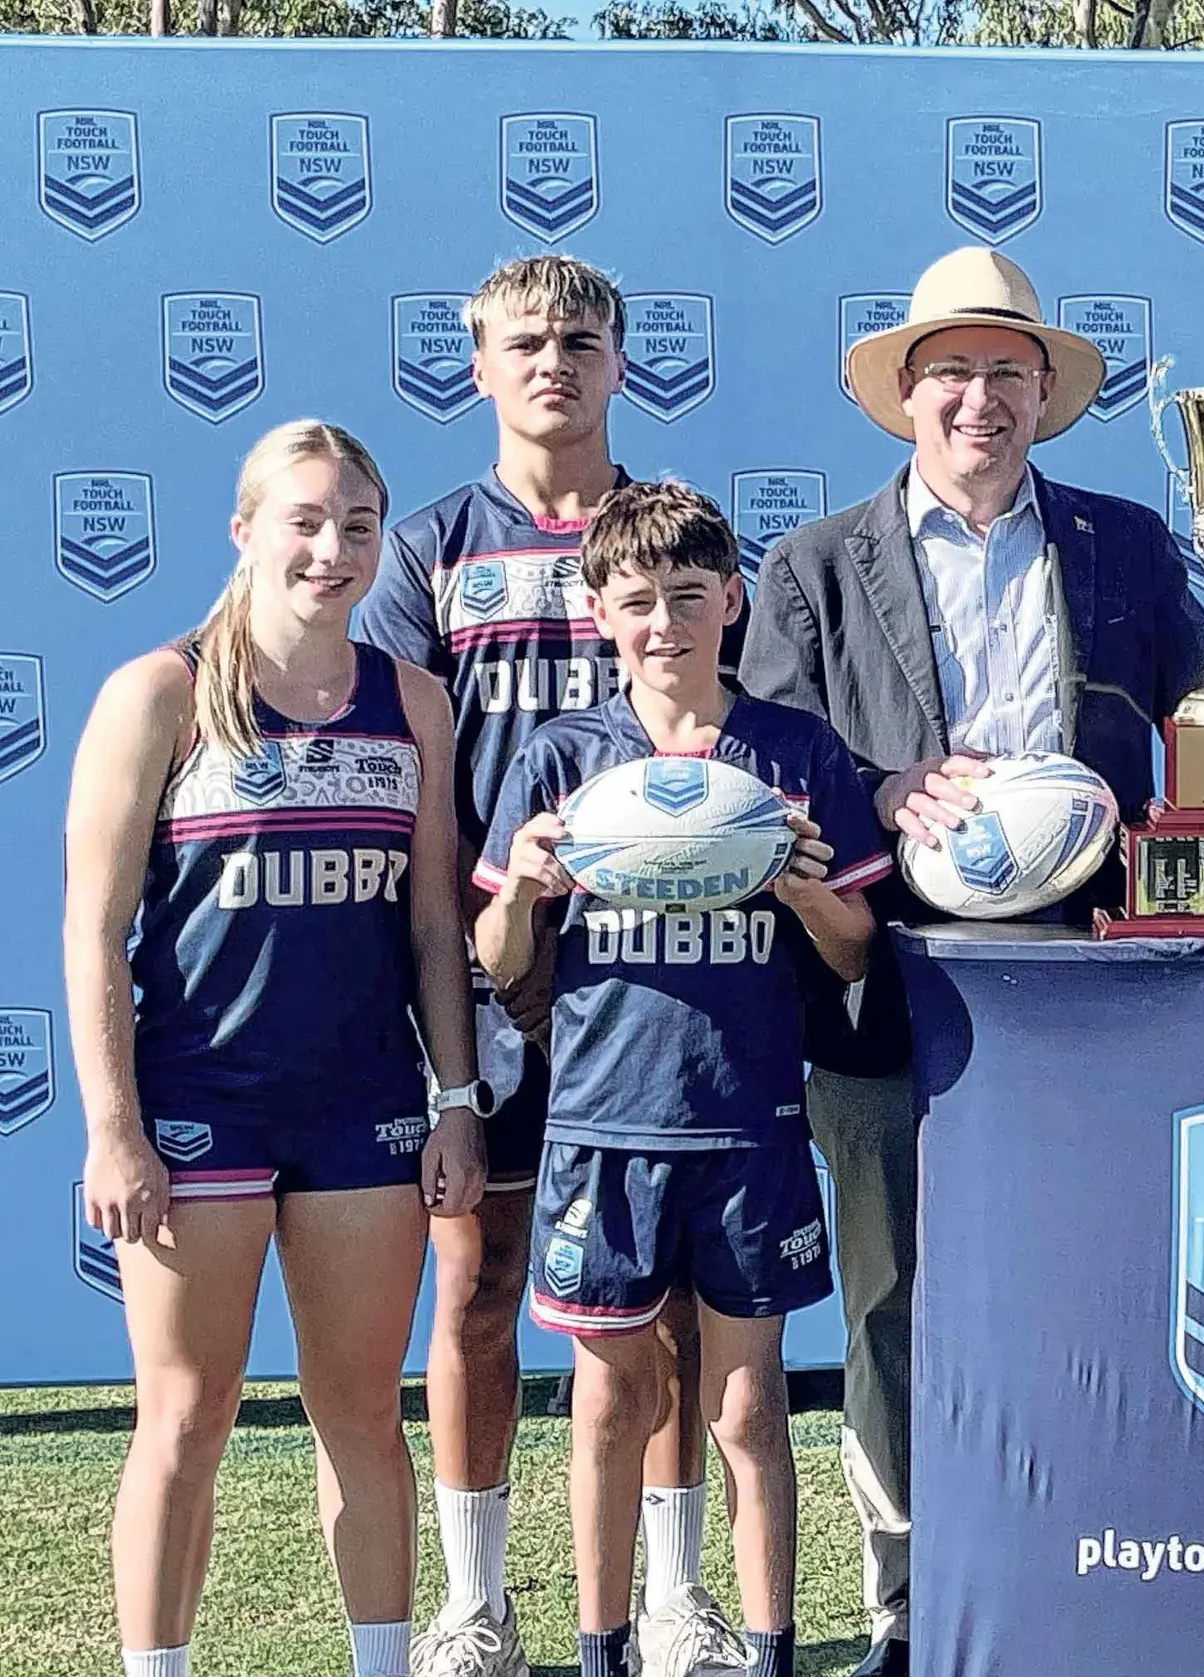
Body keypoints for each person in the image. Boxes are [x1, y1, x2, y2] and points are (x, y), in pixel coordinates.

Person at [739, 244, 1204, 1676]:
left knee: (1094, 1285)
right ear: (906, 392)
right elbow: (765, 760)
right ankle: (906, 1602)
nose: (980, 397)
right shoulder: (814, 566)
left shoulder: (1129, 545)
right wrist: (882, 787)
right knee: (892, 1298)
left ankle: (1083, 1569)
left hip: (1091, 989)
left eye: (1009, 369)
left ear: (1044, 392)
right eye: (951, 369)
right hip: (883, 978)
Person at [355, 256, 736, 1677]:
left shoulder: (672, 532)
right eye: (523, 341)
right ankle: (476, 1604)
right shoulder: (432, 549)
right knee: (478, 1279)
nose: (552, 361)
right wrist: (480, 934)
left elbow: (730, 729)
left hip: (658, 970)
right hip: (491, 965)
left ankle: (678, 1596)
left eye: (580, 337)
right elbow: (408, 773)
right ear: (478, 366)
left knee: (664, 1291)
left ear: (622, 360)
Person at [66, 421, 488, 1677]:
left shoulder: (412, 701)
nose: (331, 549)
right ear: (245, 529)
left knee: (360, 1414)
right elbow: (92, 931)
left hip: (363, 1110)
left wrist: (456, 1099)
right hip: (200, 1105)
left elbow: (432, 924)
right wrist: (113, 1127)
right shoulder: (159, 692)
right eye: (304, 520)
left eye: (357, 524)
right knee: (185, 1417)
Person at [475, 480, 892, 1677]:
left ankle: (767, 1649)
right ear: (601, 612)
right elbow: (498, 961)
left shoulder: (793, 753)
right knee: (609, 1400)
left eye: (690, 595)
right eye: (639, 600)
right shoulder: (565, 759)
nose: (665, 623)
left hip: (749, 1121)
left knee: (748, 1403)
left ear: (733, 601)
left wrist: (802, 889)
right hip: (602, 1123)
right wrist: (526, 889)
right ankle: (601, 1649)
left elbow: (855, 948)